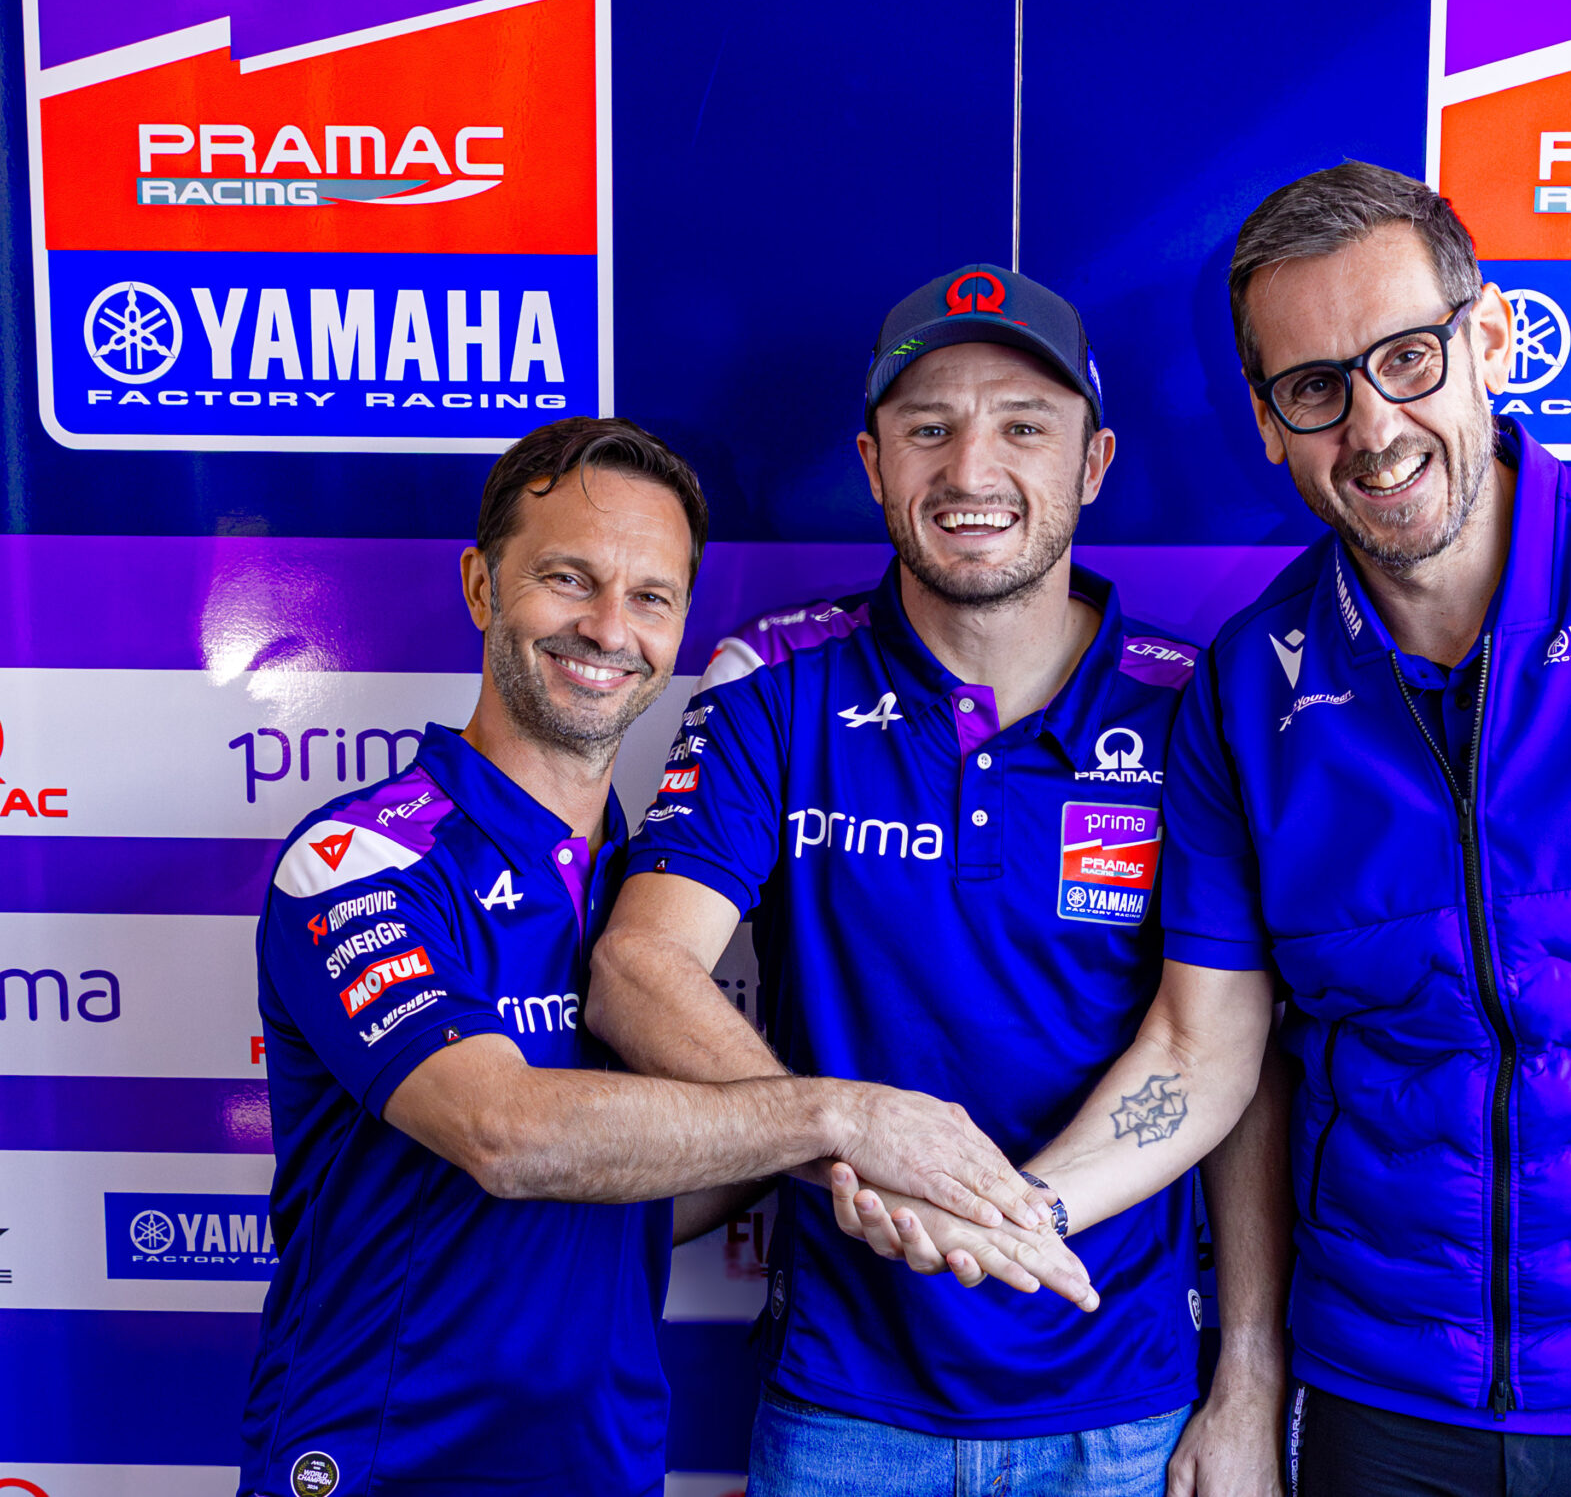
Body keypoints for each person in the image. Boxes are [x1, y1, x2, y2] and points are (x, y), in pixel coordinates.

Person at [833, 164, 1571, 1495]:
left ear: (1488, 338)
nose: (1373, 427)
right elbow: (1205, 1056)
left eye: (1407, 358)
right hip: (1382, 1404)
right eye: (1315, 388)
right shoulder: (1248, 687)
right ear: (1268, 423)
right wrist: (1014, 1213)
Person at [239, 417, 1042, 1497]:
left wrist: (886, 1174)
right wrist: (843, 1118)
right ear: (481, 586)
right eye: (569, 579)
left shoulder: (648, 895)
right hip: (387, 1463)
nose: (609, 628)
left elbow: (676, 1178)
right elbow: (506, 1133)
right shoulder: (361, 862)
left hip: (603, 1462)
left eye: (652, 597)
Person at [588, 265, 1281, 1496]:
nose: (970, 471)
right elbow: (639, 968)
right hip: (842, 1401)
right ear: (871, 463)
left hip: (1124, 1403)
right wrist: (838, 1126)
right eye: (927, 428)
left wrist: (1247, 1382)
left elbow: (1216, 1052)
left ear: (1095, 463)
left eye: (1023, 428)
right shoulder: (771, 682)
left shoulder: (1194, 708)